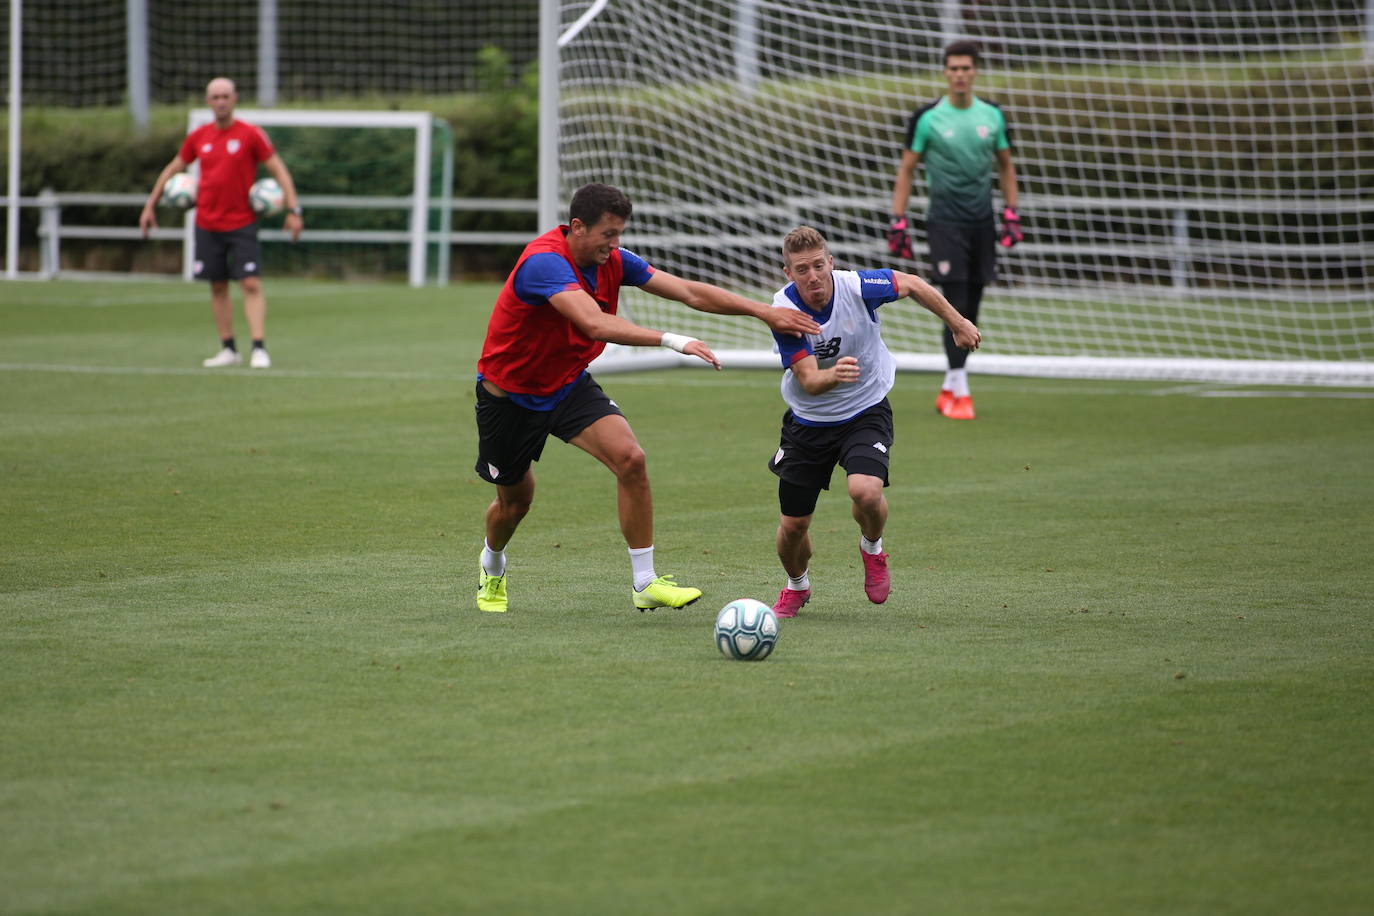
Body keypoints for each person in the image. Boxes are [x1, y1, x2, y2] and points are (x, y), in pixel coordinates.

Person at [473, 182, 821, 614]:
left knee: (631, 459)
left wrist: (763, 310)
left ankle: (645, 582)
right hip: (509, 400)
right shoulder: (544, 262)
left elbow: (689, 291)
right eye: (608, 234)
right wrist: (672, 340)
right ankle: (493, 562)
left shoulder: (614, 261)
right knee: (515, 502)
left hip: (565, 386)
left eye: (620, 234)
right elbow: (594, 324)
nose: (616, 245)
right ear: (577, 227)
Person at [765, 225, 980, 618]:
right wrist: (836, 374)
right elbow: (811, 381)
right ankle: (797, 586)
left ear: (831, 263)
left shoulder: (858, 287)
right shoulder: (784, 312)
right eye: (801, 269)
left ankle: (872, 548)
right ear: (788, 274)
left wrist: (957, 322)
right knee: (793, 527)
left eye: (818, 265)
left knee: (866, 491)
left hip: (866, 409)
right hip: (808, 421)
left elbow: (913, 283)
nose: (812, 276)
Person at [887, 40, 1019, 420]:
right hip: (944, 222)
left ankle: (951, 384)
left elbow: (1007, 165)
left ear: (974, 71)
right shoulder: (927, 118)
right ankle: (959, 388)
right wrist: (898, 220)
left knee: (973, 302)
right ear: (945, 73)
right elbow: (907, 169)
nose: (960, 74)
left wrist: (1011, 212)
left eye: (966, 68)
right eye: (953, 68)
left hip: (982, 222)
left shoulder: (992, 116)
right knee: (954, 301)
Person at [139, 77, 303, 369]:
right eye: (215, 96)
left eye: (225, 95)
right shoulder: (199, 137)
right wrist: (150, 204)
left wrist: (293, 209)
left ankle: (259, 348)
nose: (221, 101)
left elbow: (280, 171)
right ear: (208, 101)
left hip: (241, 222)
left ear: (235, 98)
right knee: (217, 286)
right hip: (207, 222)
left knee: (250, 283)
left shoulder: (251, 135)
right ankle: (228, 348)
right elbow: (173, 168)